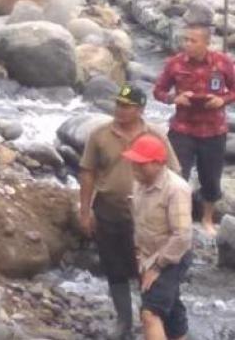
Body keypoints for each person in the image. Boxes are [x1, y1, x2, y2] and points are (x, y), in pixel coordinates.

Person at [79, 84, 180, 340]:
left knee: (148, 269)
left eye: (126, 106)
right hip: (110, 212)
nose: (120, 110)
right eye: (118, 105)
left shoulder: (156, 136)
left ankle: (154, 317)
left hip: (147, 219)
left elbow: (174, 173)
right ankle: (124, 321)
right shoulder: (100, 134)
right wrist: (85, 211)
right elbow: (87, 172)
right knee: (114, 268)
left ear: (141, 109)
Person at [154, 24, 235, 236]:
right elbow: (158, 90)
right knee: (175, 175)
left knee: (211, 178)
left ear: (207, 43)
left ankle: (207, 219)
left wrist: (222, 99)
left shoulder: (222, 63)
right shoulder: (175, 63)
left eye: (193, 41)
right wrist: (174, 98)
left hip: (213, 130)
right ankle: (173, 219)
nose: (187, 44)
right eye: (185, 40)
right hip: (182, 129)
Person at [123, 134, 193, 340]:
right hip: (148, 254)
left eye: (141, 164)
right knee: (171, 312)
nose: (135, 168)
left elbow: (182, 236)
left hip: (172, 255)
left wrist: (157, 267)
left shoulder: (176, 188)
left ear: (158, 163)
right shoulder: (139, 184)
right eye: (134, 163)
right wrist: (139, 256)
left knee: (150, 313)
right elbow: (139, 221)